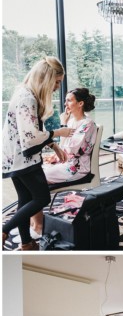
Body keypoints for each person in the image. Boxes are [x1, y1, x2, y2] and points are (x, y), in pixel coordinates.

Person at [2, 57, 74, 250]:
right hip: (22, 157)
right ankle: (4, 229)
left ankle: (26, 243)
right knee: (42, 198)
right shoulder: (27, 98)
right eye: (57, 82)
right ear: (46, 79)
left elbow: (31, 128)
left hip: (15, 156)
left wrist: (54, 145)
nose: (58, 87)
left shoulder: (25, 93)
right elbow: (31, 135)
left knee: (25, 199)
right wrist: (59, 133)